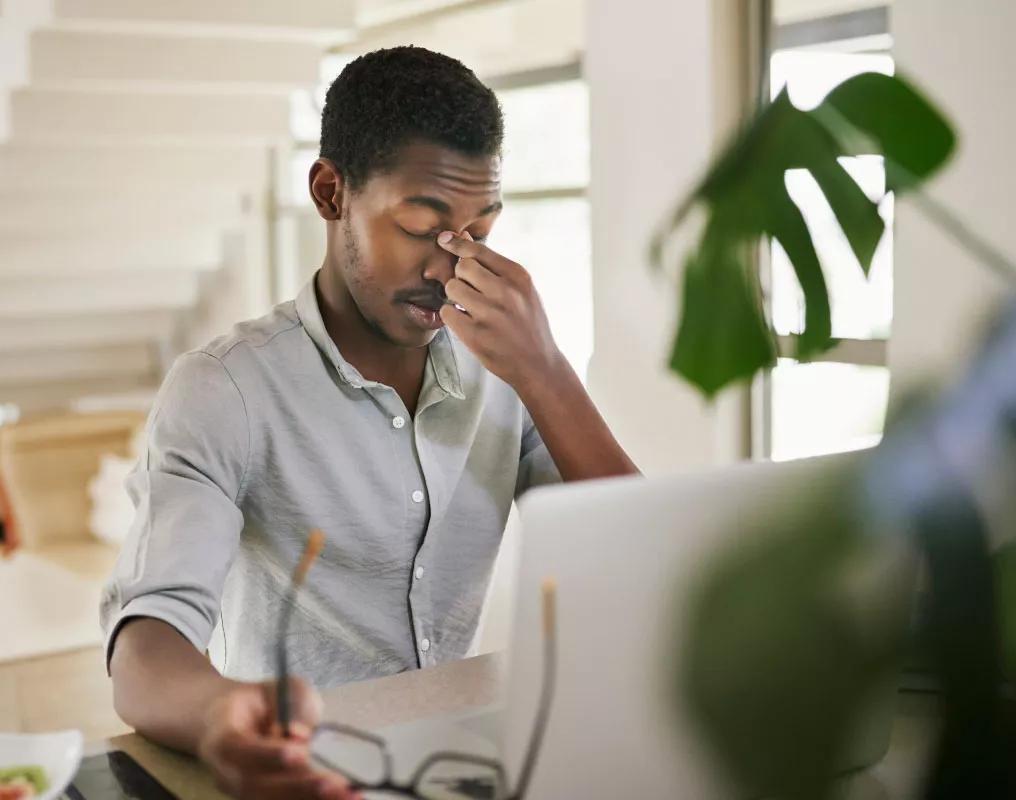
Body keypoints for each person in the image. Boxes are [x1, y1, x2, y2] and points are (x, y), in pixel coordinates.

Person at [99, 46, 637, 799]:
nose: (453, 266)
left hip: (457, 764)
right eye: (423, 226)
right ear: (330, 193)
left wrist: (546, 371)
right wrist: (218, 715)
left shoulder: (508, 371)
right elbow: (148, 639)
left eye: (480, 230)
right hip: (297, 773)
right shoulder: (225, 389)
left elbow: (641, 562)